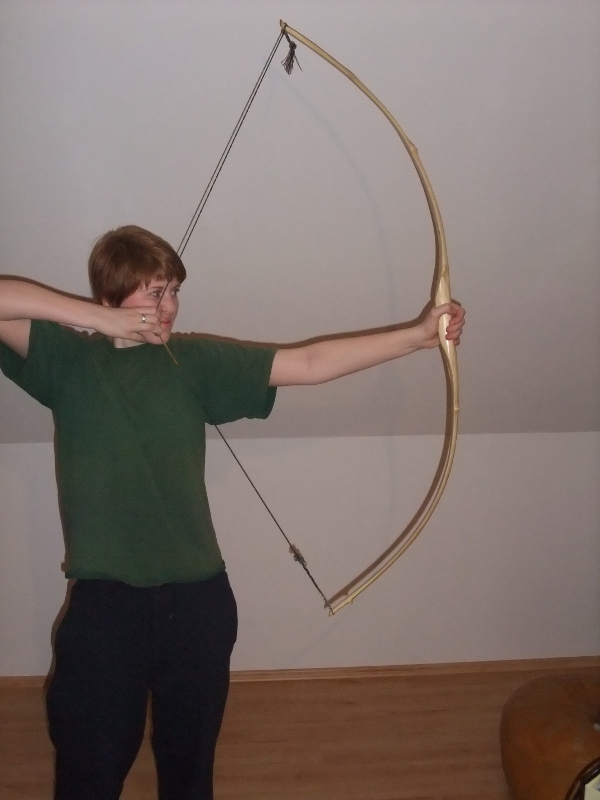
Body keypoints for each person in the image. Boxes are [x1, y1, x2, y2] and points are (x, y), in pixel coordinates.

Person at [0, 225, 465, 800]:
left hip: (198, 602)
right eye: (154, 292)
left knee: (189, 772)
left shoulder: (192, 360)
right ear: (109, 294)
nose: (169, 306)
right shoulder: (67, 361)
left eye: (174, 291)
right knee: (87, 772)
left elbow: (308, 362)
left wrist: (417, 336)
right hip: (105, 606)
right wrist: (98, 321)